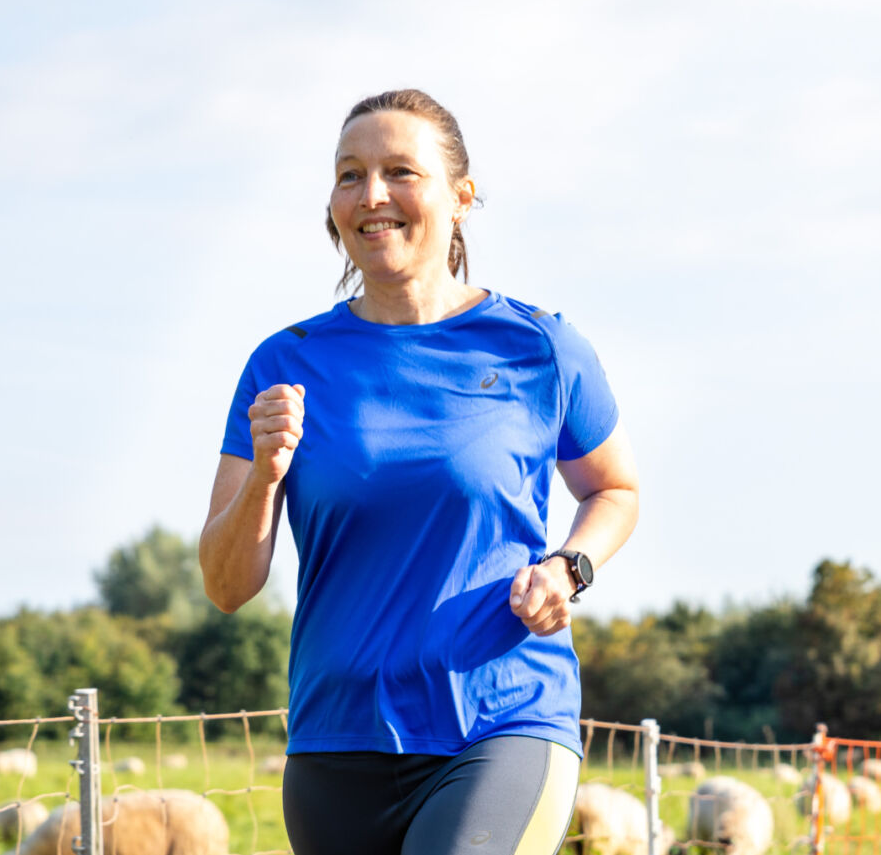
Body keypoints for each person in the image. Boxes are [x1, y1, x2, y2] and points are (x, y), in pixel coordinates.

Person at [199, 89, 640, 855]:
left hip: (500, 720)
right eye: (349, 175)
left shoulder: (540, 347)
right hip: (337, 742)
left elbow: (615, 489)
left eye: (400, 171)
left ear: (461, 198)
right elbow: (226, 584)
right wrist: (267, 474)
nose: (372, 195)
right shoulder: (283, 364)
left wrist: (570, 567)